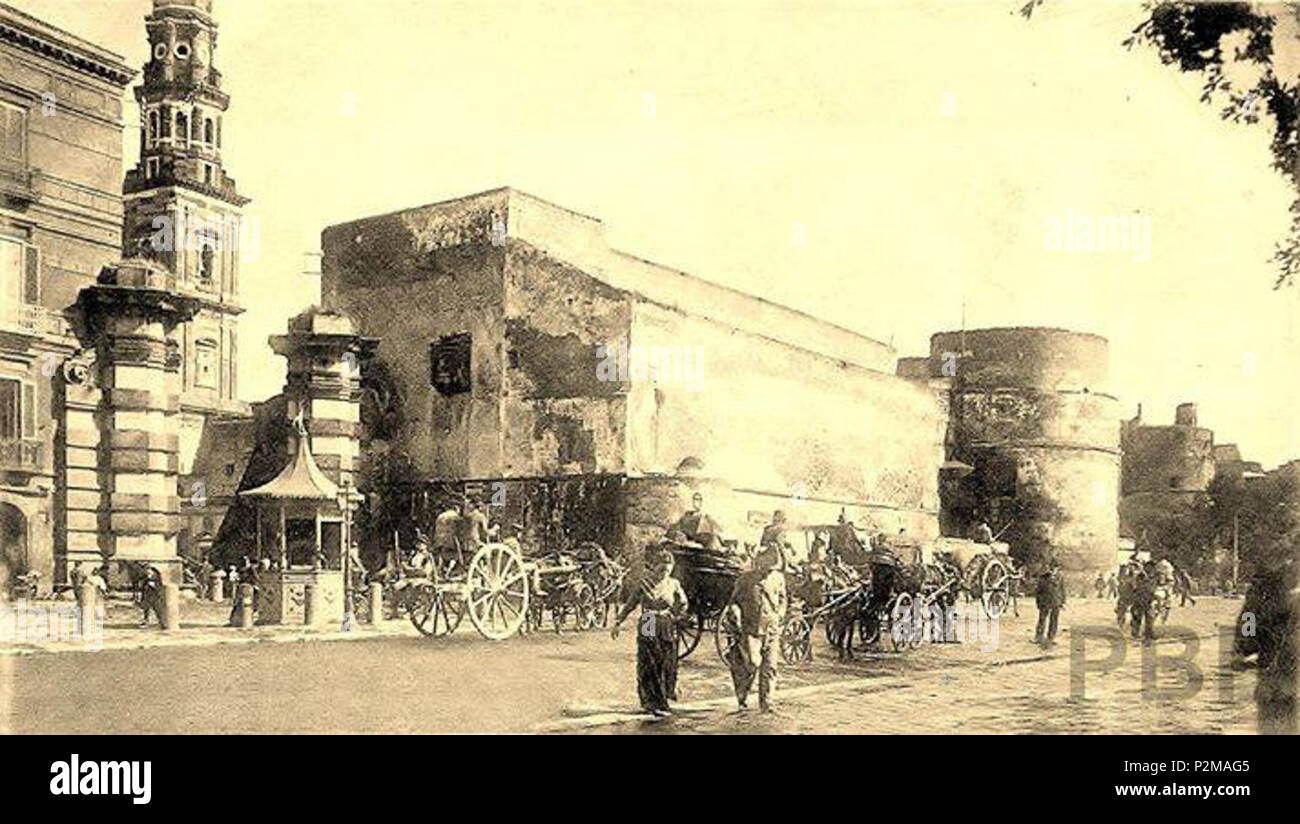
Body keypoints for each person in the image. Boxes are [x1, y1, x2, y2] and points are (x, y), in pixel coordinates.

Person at [610, 546, 688, 717]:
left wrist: (676, 614)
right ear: (655, 567)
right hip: (648, 621)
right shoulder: (644, 583)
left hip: (666, 622)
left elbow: (683, 602)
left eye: (667, 570)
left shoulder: (673, 584)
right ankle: (650, 702)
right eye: (661, 570)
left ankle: (664, 698)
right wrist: (618, 622)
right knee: (648, 663)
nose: (663, 574)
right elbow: (630, 604)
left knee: (666, 661)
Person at [723, 544, 788, 712]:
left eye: (773, 567)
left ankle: (767, 703)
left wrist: (780, 613)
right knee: (751, 663)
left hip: (771, 628)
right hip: (751, 628)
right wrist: (735, 613)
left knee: (770, 666)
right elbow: (733, 601)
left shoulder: (778, 578)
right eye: (767, 566)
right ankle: (742, 695)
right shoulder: (745, 579)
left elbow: (783, 599)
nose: (769, 570)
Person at [1034, 559, 1067, 646]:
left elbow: (1062, 590)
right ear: (1049, 567)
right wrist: (1038, 603)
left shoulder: (1060, 577)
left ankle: (1051, 637)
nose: (1053, 569)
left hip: (1056, 602)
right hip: (1045, 602)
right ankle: (1038, 637)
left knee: (1054, 620)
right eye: (1052, 567)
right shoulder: (1043, 577)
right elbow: (1038, 591)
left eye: (1055, 568)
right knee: (1042, 619)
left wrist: (1063, 602)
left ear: (1058, 568)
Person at [1130, 562, 1157, 643]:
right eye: (1149, 567)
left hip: (1149, 598)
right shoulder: (1140, 575)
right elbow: (1136, 586)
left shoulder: (1153, 576)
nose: (1151, 569)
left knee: (1149, 618)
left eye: (1152, 567)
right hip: (1140, 598)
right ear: (1146, 567)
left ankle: (1149, 634)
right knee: (1138, 617)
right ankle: (1135, 633)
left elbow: (1153, 586)